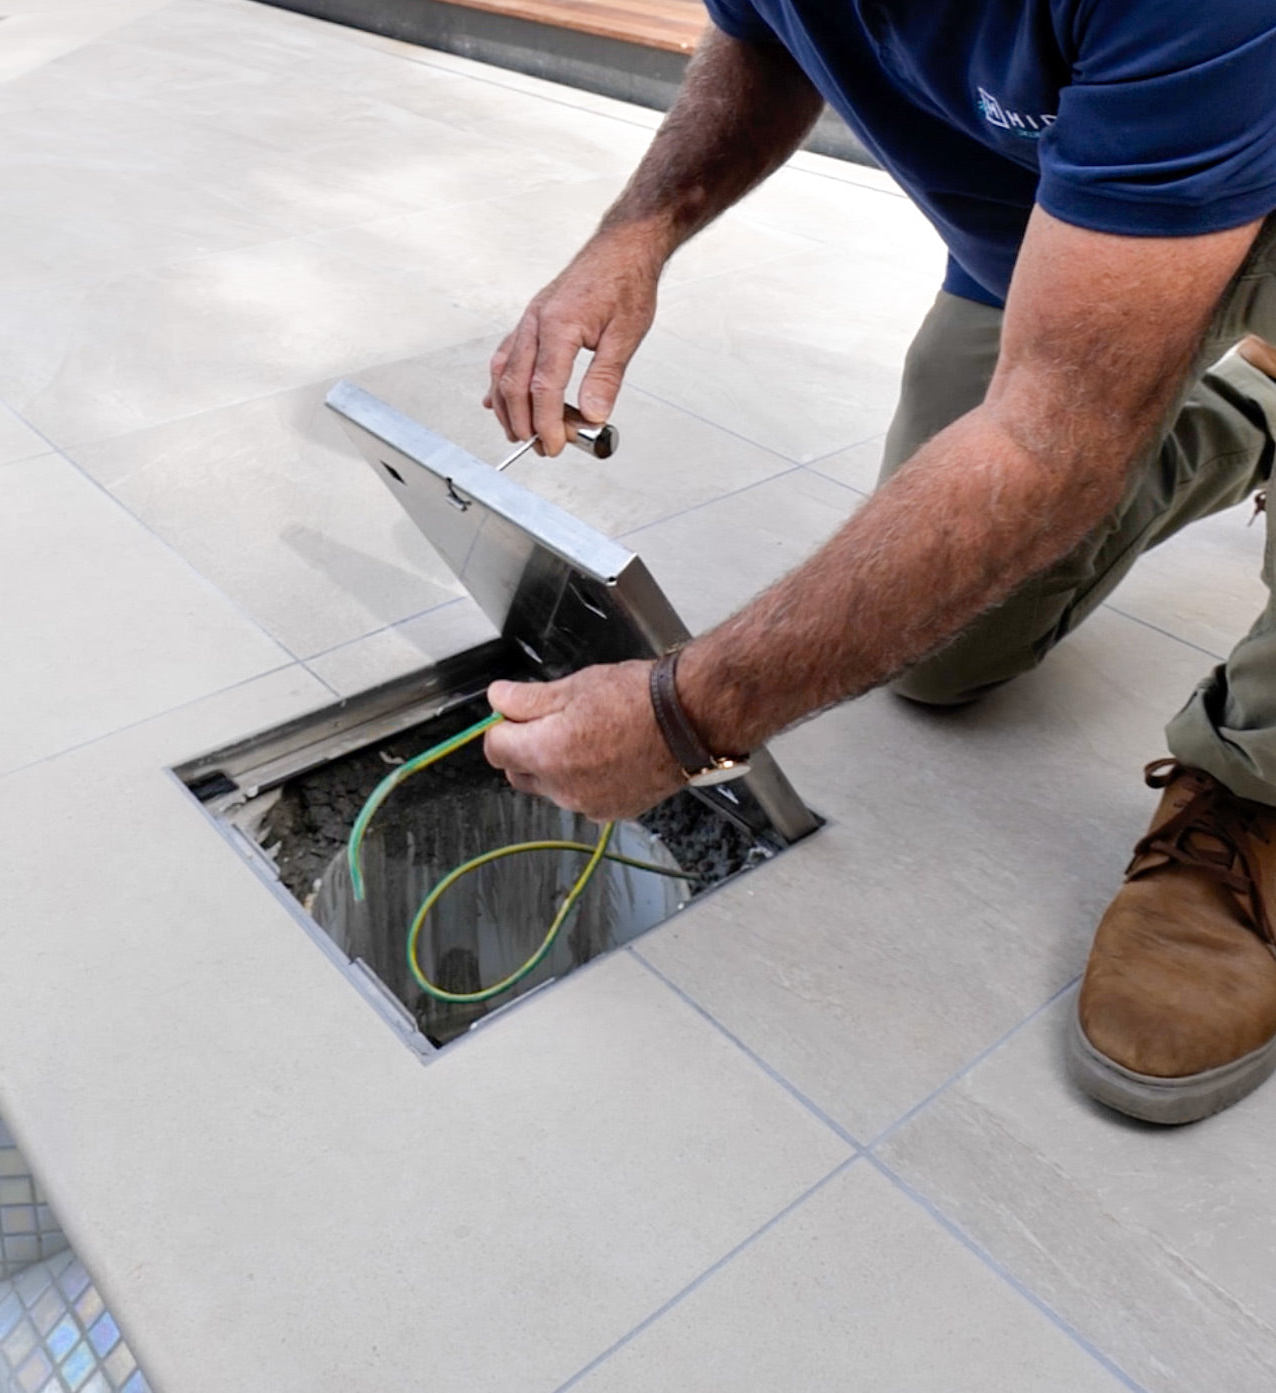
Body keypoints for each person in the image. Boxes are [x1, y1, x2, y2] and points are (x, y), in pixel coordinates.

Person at [478, 4, 1276, 1125]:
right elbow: (757, 35)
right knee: (945, 645)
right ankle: (1254, 401)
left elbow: (1047, 439)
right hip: (1069, 230)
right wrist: (635, 230)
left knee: (1059, 452)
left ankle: (1256, 789)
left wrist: (684, 715)